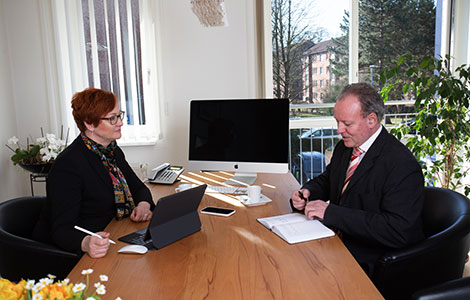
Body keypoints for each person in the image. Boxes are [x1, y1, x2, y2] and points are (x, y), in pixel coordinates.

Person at [290, 83, 425, 276]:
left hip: (372, 260)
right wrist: (307, 192)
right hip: (336, 242)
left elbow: (397, 230)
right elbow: (329, 180)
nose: (338, 130)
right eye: (337, 121)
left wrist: (330, 213)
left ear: (371, 120)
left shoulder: (401, 164)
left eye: (346, 123)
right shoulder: (344, 148)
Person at [33, 88, 155, 258]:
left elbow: (139, 189)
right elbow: (61, 230)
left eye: (119, 115)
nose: (120, 122)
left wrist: (143, 205)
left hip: (114, 234)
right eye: (112, 118)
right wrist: (86, 242)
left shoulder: (112, 152)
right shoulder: (68, 165)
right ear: (89, 124)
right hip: (86, 251)